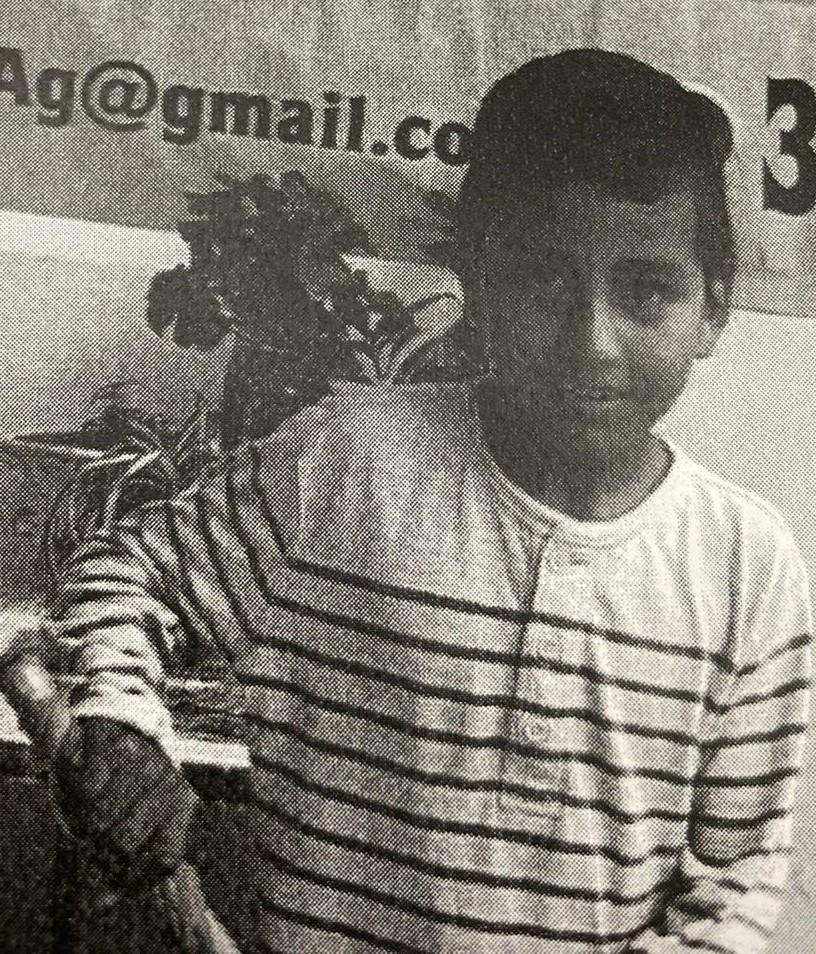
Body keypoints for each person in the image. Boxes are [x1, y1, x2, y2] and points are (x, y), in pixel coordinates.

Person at [0, 48, 811, 954]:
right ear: (478, 287)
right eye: (544, 279)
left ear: (714, 308)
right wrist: (121, 719)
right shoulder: (346, 465)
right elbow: (127, 571)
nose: (594, 340)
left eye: (647, 290)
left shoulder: (749, 568)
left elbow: (732, 891)